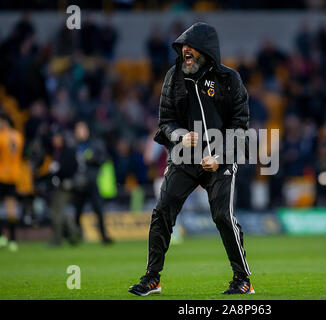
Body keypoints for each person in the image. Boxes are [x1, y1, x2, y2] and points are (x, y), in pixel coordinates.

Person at [129, 22, 253, 296]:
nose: (184, 51)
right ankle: (152, 278)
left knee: (222, 215)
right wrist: (179, 137)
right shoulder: (173, 77)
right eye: (182, 47)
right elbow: (165, 122)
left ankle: (242, 279)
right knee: (162, 211)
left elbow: (241, 126)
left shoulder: (229, 79)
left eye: (190, 47)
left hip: (220, 157)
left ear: (206, 51)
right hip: (184, 156)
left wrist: (220, 156)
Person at [72, 121, 113, 244]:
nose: (81, 132)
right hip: (78, 183)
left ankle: (103, 235)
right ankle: (75, 235)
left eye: (82, 129)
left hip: (91, 181)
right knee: (77, 211)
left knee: (98, 209)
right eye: (78, 130)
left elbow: (104, 158)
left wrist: (93, 159)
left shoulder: (94, 144)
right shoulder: (74, 146)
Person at [47, 129, 79, 247]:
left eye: (56, 138)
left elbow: (69, 169)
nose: (54, 141)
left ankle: (57, 240)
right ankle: (74, 233)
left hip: (65, 185)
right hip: (58, 185)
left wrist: (57, 170)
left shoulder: (68, 151)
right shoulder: (57, 151)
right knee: (59, 213)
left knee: (57, 214)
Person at [0, 114, 23, 252]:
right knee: (11, 209)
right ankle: (13, 240)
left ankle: (2, 237)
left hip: (2, 175)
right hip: (14, 176)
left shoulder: (1, 137)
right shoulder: (18, 136)